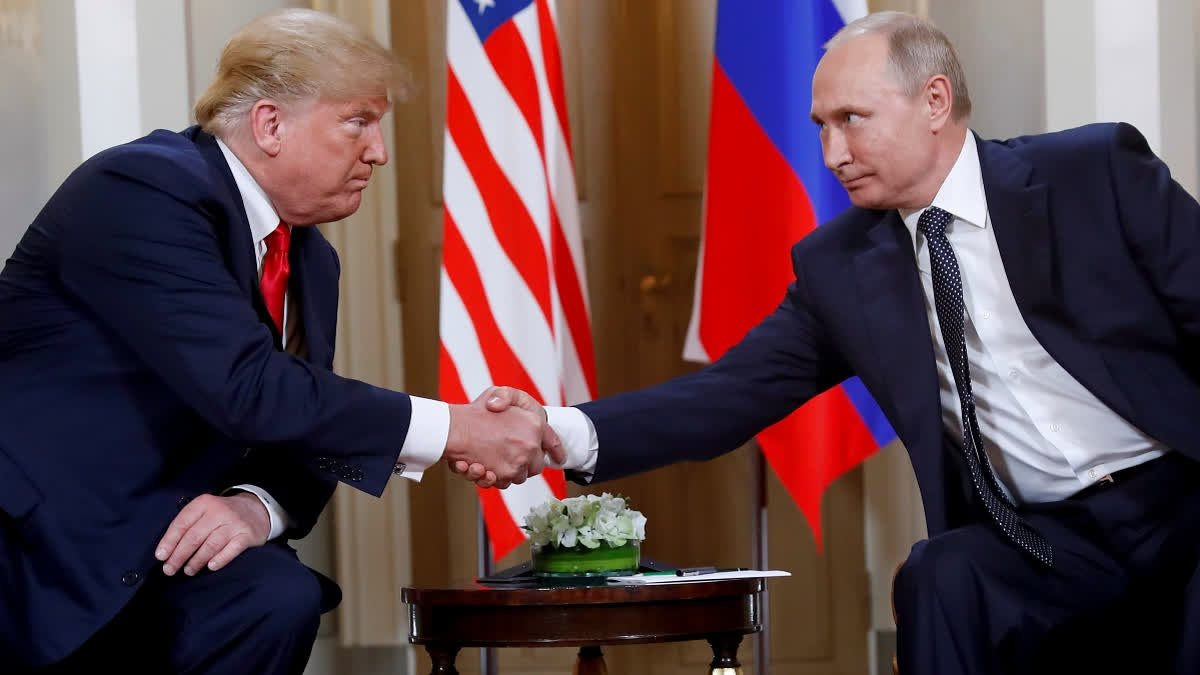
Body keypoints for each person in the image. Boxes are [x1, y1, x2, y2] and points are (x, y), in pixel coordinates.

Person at [464, 10, 1200, 674]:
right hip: (1046, 541)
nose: (831, 151)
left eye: (852, 118)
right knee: (940, 571)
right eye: (821, 124)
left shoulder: (1091, 173)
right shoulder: (841, 266)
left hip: (1180, 498)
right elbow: (730, 393)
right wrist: (557, 429)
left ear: (935, 102)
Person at [0, 9, 558, 673]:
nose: (379, 151)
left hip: (166, 543)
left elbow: (303, 418)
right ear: (269, 124)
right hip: (43, 542)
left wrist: (256, 507)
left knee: (275, 595)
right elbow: (251, 388)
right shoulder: (145, 189)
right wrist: (455, 429)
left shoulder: (310, 259)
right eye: (359, 121)